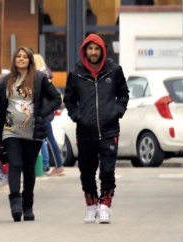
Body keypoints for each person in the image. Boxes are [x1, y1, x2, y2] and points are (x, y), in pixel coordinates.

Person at [64, 33, 129, 224]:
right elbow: (69, 100)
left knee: (107, 171)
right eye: (90, 49)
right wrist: (78, 116)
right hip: (85, 133)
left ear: (102, 50)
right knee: (87, 172)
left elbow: (123, 95)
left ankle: (105, 206)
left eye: (96, 48)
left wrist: (116, 112)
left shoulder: (114, 70)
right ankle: (91, 205)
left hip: (109, 131)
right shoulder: (76, 73)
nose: (93, 52)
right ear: (85, 50)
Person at [0, 46, 61, 222]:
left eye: (25, 57)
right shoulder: (6, 81)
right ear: (14, 59)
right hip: (10, 131)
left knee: (29, 169)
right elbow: (1, 110)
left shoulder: (39, 78)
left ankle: (27, 205)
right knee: (15, 165)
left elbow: (56, 99)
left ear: (30, 60)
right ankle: (15, 202)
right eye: (18, 56)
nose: (21, 59)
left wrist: (42, 114)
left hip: (33, 133)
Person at [33, 54, 65, 176]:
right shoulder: (46, 75)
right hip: (47, 112)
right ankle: (49, 164)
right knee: (45, 139)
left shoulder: (41, 77)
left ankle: (57, 165)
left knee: (48, 139)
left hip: (43, 112)